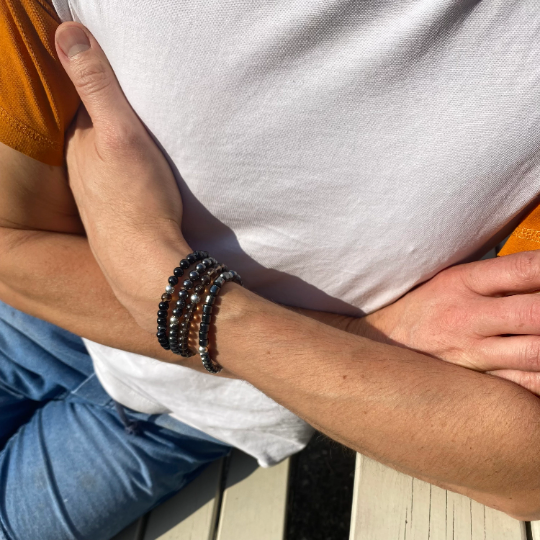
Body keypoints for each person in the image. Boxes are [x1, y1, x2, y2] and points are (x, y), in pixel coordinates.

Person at [3, 3, 540, 539]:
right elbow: (11, 246)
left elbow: (528, 470)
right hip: (46, 322)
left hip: (187, 419)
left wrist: (169, 289)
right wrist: (358, 339)